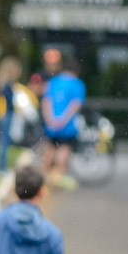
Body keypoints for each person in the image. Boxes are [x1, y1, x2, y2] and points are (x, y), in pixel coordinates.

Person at [41, 58, 86, 188]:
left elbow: (46, 101)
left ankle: (44, 177)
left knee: (50, 148)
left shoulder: (53, 82)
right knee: (64, 150)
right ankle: (59, 178)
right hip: (67, 125)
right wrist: (63, 119)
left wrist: (49, 119)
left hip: (51, 124)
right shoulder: (78, 84)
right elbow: (75, 105)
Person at [0, 56, 22, 173]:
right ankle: (1, 168)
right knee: (3, 141)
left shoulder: (2, 83)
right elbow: (11, 101)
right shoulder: (8, 85)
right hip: (6, 114)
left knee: (2, 141)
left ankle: (1, 166)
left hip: (1, 114)